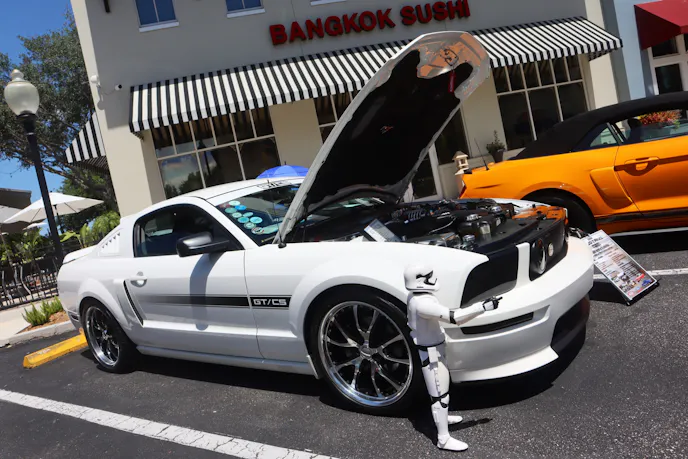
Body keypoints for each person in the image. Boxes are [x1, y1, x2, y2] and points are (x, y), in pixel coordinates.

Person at [404, 265, 500, 452]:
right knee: (440, 396)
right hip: (431, 353)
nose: (432, 278)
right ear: (419, 280)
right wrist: (482, 307)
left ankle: (442, 418)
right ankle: (443, 439)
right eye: (428, 276)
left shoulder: (418, 298)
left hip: (434, 349)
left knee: (441, 391)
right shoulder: (422, 303)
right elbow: (456, 317)